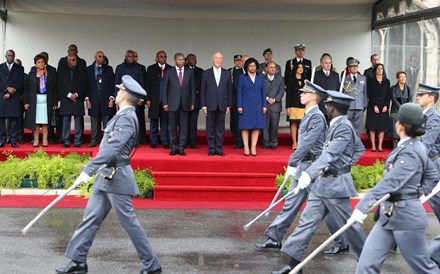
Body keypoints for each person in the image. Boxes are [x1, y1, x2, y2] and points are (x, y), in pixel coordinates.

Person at [55, 75, 162, 274]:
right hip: (106, 176)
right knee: (90, 218)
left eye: (120, 90)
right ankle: (78, 261)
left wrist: (88, 170)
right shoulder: (122, 115)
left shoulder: (128, 118)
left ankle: (151, 264)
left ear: (124, 96)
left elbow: (111, 150)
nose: (118, 92)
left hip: (117, 177)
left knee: (129, 223)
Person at [271, 90, 367, 274]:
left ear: (333, 107)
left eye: (328, 105)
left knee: (350, 228)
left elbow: (331, 154)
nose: (326, 107)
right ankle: (293, 265)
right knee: (305, 224)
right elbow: (357, 148)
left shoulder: (344, 127)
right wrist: (339, 165)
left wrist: (336, 168)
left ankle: (368, 264)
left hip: (336, 186)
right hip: (322, 184)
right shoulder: (336, 124)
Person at [256, 81, 344, 254]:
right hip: (304, 165)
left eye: (304, 93)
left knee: (325, 206)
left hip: (312, 168)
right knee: (291, 202)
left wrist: (292, 161)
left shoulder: (316, 117)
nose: (301, 95)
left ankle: (342, 241)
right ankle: (275, 237)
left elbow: (307, 144)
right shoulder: (309, 114)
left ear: (313, 97)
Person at [352, 102, 440, 274]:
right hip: (388, 216)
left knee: (425, 269)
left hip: (407, 218)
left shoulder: (411, 151)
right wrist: (415, 189)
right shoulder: (414, 145)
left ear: (400, 126)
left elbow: (390, 183)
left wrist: (363, 205)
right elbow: (431, 175)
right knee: (366, 266)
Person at [161, 52, 195, 156]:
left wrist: (193, 102)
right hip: (172, 104)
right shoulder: (169, 72)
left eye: (182, 60)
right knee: (172, 127)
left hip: (185, 104)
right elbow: (164, 89)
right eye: (179, 60)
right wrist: (165, 103)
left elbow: (192, 89)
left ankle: (181, 148)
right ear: (175, 60)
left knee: (183, 127)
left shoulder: (189, 72)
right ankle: (173, 147)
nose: (181, 61)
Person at [200, 52, 232, 156]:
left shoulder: (226, 73)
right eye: (216, 58)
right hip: (210, 105)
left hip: (222, 104)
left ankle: (218, 148)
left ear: (222, 60)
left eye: (220, 58)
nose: (218, 60)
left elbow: (229, 90)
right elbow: (202, 90)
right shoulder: (206, 73)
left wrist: (229, 105)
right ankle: (211, 149)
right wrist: (203, 105)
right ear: (212, 60)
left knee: (220, 128)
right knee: (210, 128)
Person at [416, 83, 440, 222]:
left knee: (436, 201)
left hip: (431, 165)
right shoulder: (422, 115)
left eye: (421, 95)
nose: (418, 97)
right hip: (423, 163)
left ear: (431, 98)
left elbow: (426, 145)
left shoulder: (433, 118)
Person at [23, 54, 57, 147]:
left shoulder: (50, 74)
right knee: (36, 122)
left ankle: (45, 140)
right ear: (35, 64)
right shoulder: (31, 74)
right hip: (35, 101)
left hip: (47, 101)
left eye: (42, 62)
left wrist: (54, 102)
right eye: (38, 62)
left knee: (45, 122)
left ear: (45, 63)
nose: (41, 64)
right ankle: (36, 140)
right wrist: (26, 102)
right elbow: (26, 89)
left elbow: (54, 89)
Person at [115, 50, 146, 145]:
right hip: (124, 99)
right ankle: (125, 140)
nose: (131, 58)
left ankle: (136, 141)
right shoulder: (120, 68)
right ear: (125, 57)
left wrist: (142, 98)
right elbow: (116, 83)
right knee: (125, 121)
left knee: (137, 120)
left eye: (133, 56)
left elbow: (142, 83)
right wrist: (117, 98)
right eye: (129, 56)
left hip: (136, 99)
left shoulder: (139, 68)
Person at [237, 57, 267, 156]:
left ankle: (253, 147)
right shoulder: (242, 77)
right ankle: (246, 146)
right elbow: (239, 93)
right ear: (247, 67)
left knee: (256, 126)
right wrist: (239, 105)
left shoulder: (260, 78)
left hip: (258, 105)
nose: (252, 67)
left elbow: (263, 92)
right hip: (246, 105)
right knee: (245, 126)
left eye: (254, 66)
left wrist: (264, 105)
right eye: (250, 66)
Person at [85, 51, 115, 147]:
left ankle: (106, 141)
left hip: (106, 98)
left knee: (106, 121)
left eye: (103, 56)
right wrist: (87, 99)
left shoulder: (109, 69)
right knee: (94, 120)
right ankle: (94, 140)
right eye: (99, 56)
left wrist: (111, 98)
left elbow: (112, 84)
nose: (101, 58)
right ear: (95, 57)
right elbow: (86, 85)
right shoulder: (89, 69)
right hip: (93, 98)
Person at [57, 54, 88, 148]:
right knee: (66, 120)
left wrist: (77, 94)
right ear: (68, 60)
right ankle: (66, 140)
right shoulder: (62, 71)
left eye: (76, 60)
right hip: (66, 98)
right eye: (73, 60)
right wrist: (69, 95)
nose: (75, 62)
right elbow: (59, 85)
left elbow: (84, 84)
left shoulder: (81, 71)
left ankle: (77, 141)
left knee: (78, 120)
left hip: (77, 98)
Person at [145, 50, 171, 149]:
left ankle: (165, 142)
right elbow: (147, 85)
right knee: (154, 122)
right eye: (161, 56)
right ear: (157, 58)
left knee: (165, 123)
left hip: (166, 101)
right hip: (154, 100)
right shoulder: (151, 69)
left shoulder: (170, 69)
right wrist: (147, 99)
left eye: (164, 56)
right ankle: (153, 142)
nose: (163, 58)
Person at [0, 49, 24, 148]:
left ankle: (13, 140)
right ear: (5, 56)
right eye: (9, 55)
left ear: (14, 56)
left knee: (14, 120)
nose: (10, 57)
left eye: (12, 56)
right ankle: (1, 140)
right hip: (2, 96)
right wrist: (6, 89)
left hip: (14, 97)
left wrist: (12, 91)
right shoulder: (0, 67)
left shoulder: (19, 68)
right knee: (1, 120)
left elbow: (21, 82)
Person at [365, 63, 391, 152]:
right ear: (375, 70)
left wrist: (386, 106)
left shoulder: (387, 81)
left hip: (383, 106)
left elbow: (388, 95)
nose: (380, 70)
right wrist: (374, 105)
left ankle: (380, 145)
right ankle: (373, 145)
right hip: (373, 106)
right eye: (378, 68)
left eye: (381, 68)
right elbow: (370, 94)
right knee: (372, 126)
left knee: (382, 127)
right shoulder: (371, 81)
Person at [341, 58, 367, 137]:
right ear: (349, 68)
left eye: (356, 66)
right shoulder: (345, 79)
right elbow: (342, 93)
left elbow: (365, 93)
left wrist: (364, 105)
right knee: (347, 126)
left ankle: (356, 145)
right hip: (349, 106)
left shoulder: (363, 78)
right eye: (352, 66)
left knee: (358, 128)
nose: (355, 67)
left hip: (359, 106)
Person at [262, 61, 284, 149]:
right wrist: (267, 98)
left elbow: (281, 91)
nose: (273, 69)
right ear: (266, 69)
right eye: (271, 67)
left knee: (274, 125)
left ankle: (274, 143)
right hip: (265, 104)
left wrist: (275, 99)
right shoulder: (261, 78)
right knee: (265, 125)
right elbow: (260, 91)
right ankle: (266, 143)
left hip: (276, 105)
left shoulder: (280, 79)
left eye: (274, 67)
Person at [285, 63, 306, 150]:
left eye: (302, 67)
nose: (301, 69)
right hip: (293, 104)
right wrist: (288, 107)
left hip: (303, 104)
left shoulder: (306, 80)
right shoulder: (291, 79)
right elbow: (288, 93)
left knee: (302, 124)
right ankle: (294, 142)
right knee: (293, 123)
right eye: (299, 67)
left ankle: (301, 142)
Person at [313, 53, 340, 118]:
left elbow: (338, 90)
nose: (328, 65)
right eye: (326, 63)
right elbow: (314, 91)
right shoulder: (316, 75)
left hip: (332, 106)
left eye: (329, 63)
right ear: (321, 64)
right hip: (320, 106)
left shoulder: (335, 75)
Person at [185, 53, 204, 149]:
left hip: (196, 100)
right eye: (192, 58)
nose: (194, 60)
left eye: (195, 58)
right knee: (184, 121)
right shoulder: (183, 70)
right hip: (184, 100)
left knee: (193, 121)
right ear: (187, 60)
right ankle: (184, 140)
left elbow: (202, 87)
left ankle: (192, 140)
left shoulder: (200, 71)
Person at [390, 71, 412, 146]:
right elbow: (393, 99)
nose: (403, 78)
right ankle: (395, 148)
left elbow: (410, 99)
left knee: (404, 128)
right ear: (397, 78)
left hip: (405, 112)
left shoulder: (408, 88)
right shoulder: (393, 88)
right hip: (396, 110)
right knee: (395, 130)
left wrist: (405, 109)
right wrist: (401, 108)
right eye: (401, 77)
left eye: (404, 77)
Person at [229, 54, 245, 149]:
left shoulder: (246, 71)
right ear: (234, 61)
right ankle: (238, 140)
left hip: (245, 99)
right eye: (236, 61)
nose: (238, 62)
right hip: (234, 100)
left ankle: (245, 140)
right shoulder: (230, 71)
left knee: (244, 120)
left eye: (240, 60)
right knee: (235, 121)